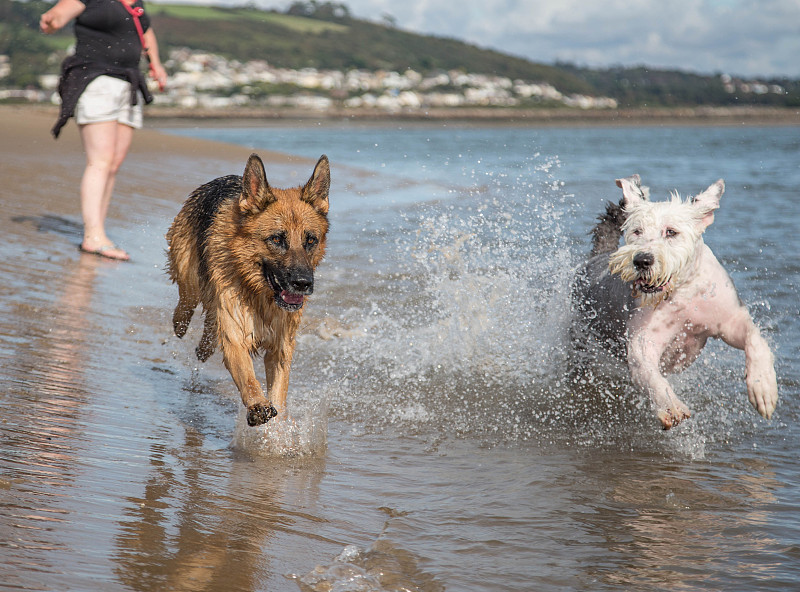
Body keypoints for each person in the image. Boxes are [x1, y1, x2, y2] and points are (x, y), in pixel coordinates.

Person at [40, 0, 167, 261]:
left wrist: (156, 62)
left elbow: (146, 31)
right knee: (100, 161)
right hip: (96, 79)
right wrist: (52, 19)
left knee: (113, 163)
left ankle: (98, 230)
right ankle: (93, 236)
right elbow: (62, 11)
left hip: (127, 82)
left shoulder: (136, 5)